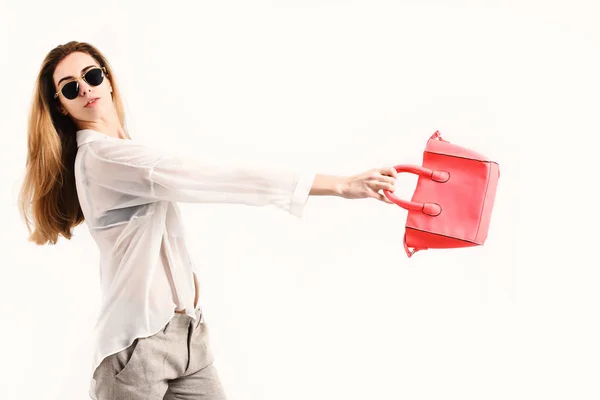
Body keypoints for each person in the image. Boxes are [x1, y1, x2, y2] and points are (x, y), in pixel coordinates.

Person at [18, 41, 399, 400]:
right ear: (62, 107)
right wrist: (340, 184)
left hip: (188, 336)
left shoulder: (125, 151)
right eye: (70, 88)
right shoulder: (103, 159)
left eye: (92, 76)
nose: (85, 89)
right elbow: (212, 178)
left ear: (108, 78)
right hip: (136, 348)